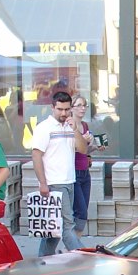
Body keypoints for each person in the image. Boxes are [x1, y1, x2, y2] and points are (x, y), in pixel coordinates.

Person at [31, 91, 82, 256]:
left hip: (69, 180)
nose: (63, 113)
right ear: (52, 107)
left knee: (53, 227)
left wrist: (75, 130)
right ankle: (85, 258)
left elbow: (82, 149)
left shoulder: (71, 125)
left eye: (67, 109)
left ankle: (41, 261)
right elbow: (36, 155)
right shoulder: (44, 128)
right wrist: (43, 183)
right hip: (54, 182)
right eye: (60, 109)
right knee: (68, 226)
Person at [68, 95, 105, 242]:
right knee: (80, 212)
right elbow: (68, 150)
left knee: (82, 212)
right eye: (79, 105)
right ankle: (73, 246)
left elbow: (84, 151)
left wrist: (95, 147)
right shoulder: (69, 126)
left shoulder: (85, 126)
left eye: (84, 105)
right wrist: (83, 140)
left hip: (85, 172)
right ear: (72, 108)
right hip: (73, 172)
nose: (82, 108)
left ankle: (73, 244)